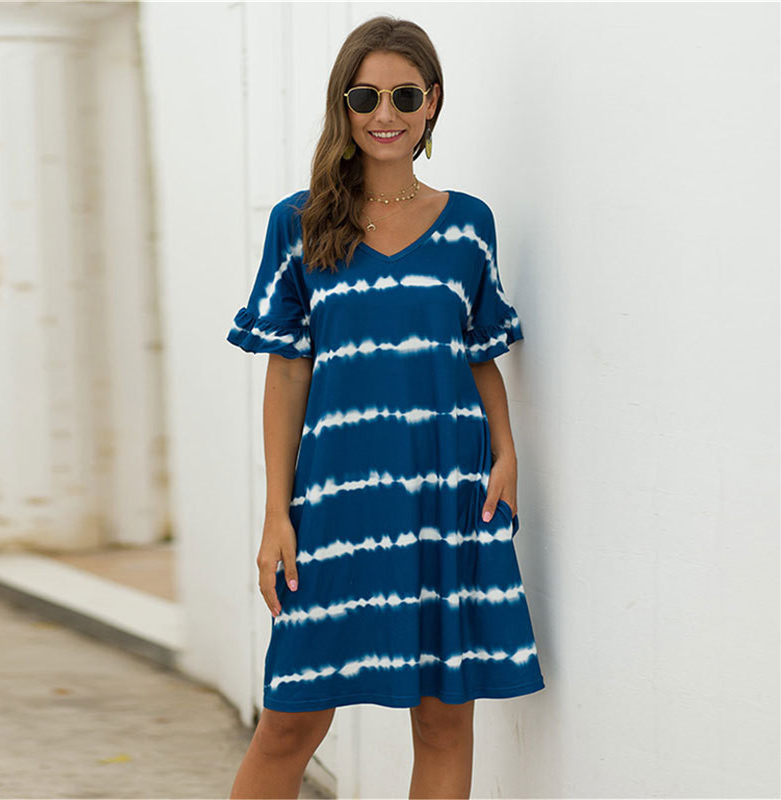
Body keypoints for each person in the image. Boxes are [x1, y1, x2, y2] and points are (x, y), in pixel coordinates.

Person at [227, 15, 545, 800]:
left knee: (443, 722)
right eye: (365, 96)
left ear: (432, 101)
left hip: (448, 492)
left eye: (405, 95)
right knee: (289, 725)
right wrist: (276, 513)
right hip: (337, 500)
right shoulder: (299, 222)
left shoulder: (469, 224)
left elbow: (479, 354)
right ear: (343, 104)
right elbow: (287, 373)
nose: (385, 114)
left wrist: (507, 452)